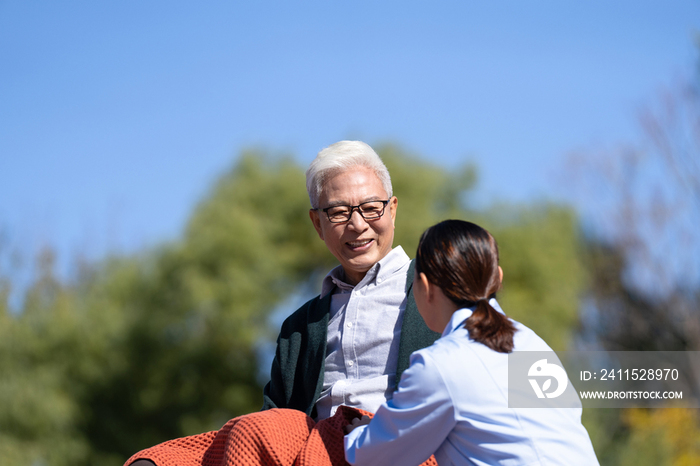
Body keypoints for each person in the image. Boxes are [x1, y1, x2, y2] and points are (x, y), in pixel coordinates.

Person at [126, 141, 440, 466]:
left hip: (402, 443)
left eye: (371, 207)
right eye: (338, 212)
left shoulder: (439, 288)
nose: (357, 224)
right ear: (318, 223)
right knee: (246, 432)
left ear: (392, 209)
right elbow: (276, 422)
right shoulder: (300, 328)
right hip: (316, 450)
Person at [344, 220, 599, 466]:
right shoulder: (533, 345)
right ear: (497, 278)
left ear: (424, 286)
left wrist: (360, 432)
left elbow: (372, 457)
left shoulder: (441, 364)